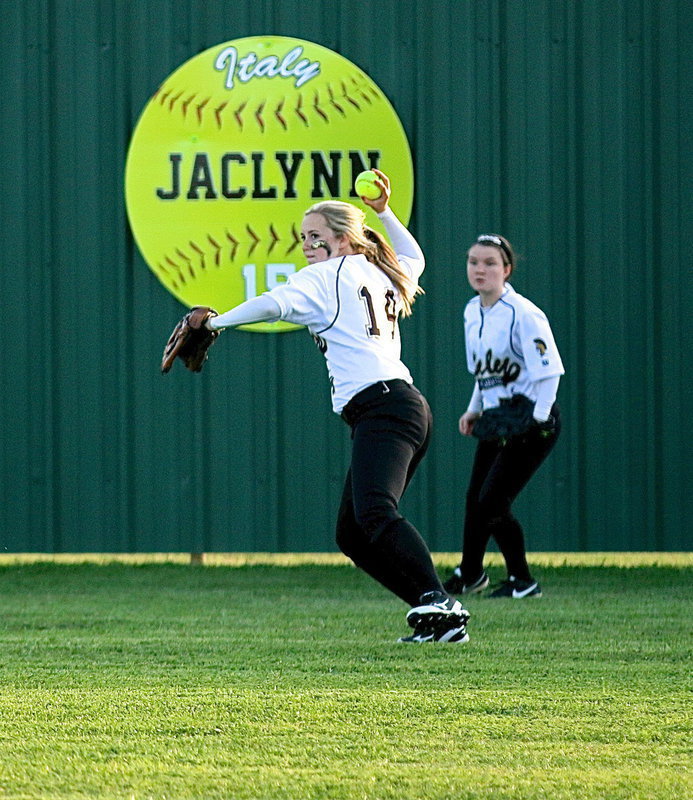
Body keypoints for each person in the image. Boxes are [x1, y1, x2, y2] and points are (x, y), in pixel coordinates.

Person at [205, 170, 469, 643]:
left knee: (376, 513)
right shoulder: (381, 270)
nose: (306, 244)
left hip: (385, 407)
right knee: (352, 533)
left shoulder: (326, 276)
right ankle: (437, 618)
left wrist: (216, 324)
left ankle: (439, 597)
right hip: (400, 407)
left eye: (315, 236)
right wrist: (384, 211)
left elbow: (271, 304)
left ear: (345, 239)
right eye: (302, 237)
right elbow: (413, 255)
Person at [444, 234, 564, 599]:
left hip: (530, 415)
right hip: (498, 416)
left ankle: (522, 581)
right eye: (473, 261)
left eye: (490, 263)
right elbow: (487, 373)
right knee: (475, 498)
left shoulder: (524, 314)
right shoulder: (471, 311)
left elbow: (550, 372)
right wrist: (474, 408)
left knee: (492, 502)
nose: (480, 269)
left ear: (507, 269)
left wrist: (540, 419)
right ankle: (471, 573)